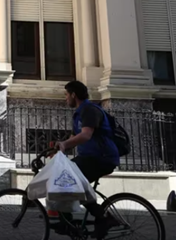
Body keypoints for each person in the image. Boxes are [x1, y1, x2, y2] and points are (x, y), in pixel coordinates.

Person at [55, 80, 120, 239]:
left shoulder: (89, 110)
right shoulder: (80, 112)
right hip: (89, 157)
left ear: (73, 95)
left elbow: (86, 135)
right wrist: (58, 150)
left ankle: (103, 218)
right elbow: (74, 137)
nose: (65, 98)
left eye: (66, 95)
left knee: (68, 180)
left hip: (102, 157)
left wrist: (64, 144)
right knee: (64, 178)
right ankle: (68, 221)